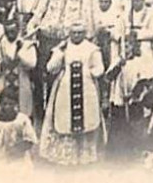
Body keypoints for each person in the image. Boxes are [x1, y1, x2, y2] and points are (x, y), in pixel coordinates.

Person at [39, 22, 105, 166]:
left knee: (87, 119)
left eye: (80, 32)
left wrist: (89, 73)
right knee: (65, 119)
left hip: (86, 88)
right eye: (74, 33)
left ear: (84, 33)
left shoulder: (92, 49)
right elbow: (50, 68)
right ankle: (68, 156)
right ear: (69, 33)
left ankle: (85, 156)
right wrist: (59, 53)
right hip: (65, 88)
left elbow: (100, 68)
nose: (76, 35)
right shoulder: (62, 48)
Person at [0, 91, 38, 162]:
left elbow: (31, 140)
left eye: (10, 104)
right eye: (4, 104)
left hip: (18, 159)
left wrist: (16, 149)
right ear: (0, 103)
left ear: (16, 104)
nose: (7, 107)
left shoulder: (22, 120)